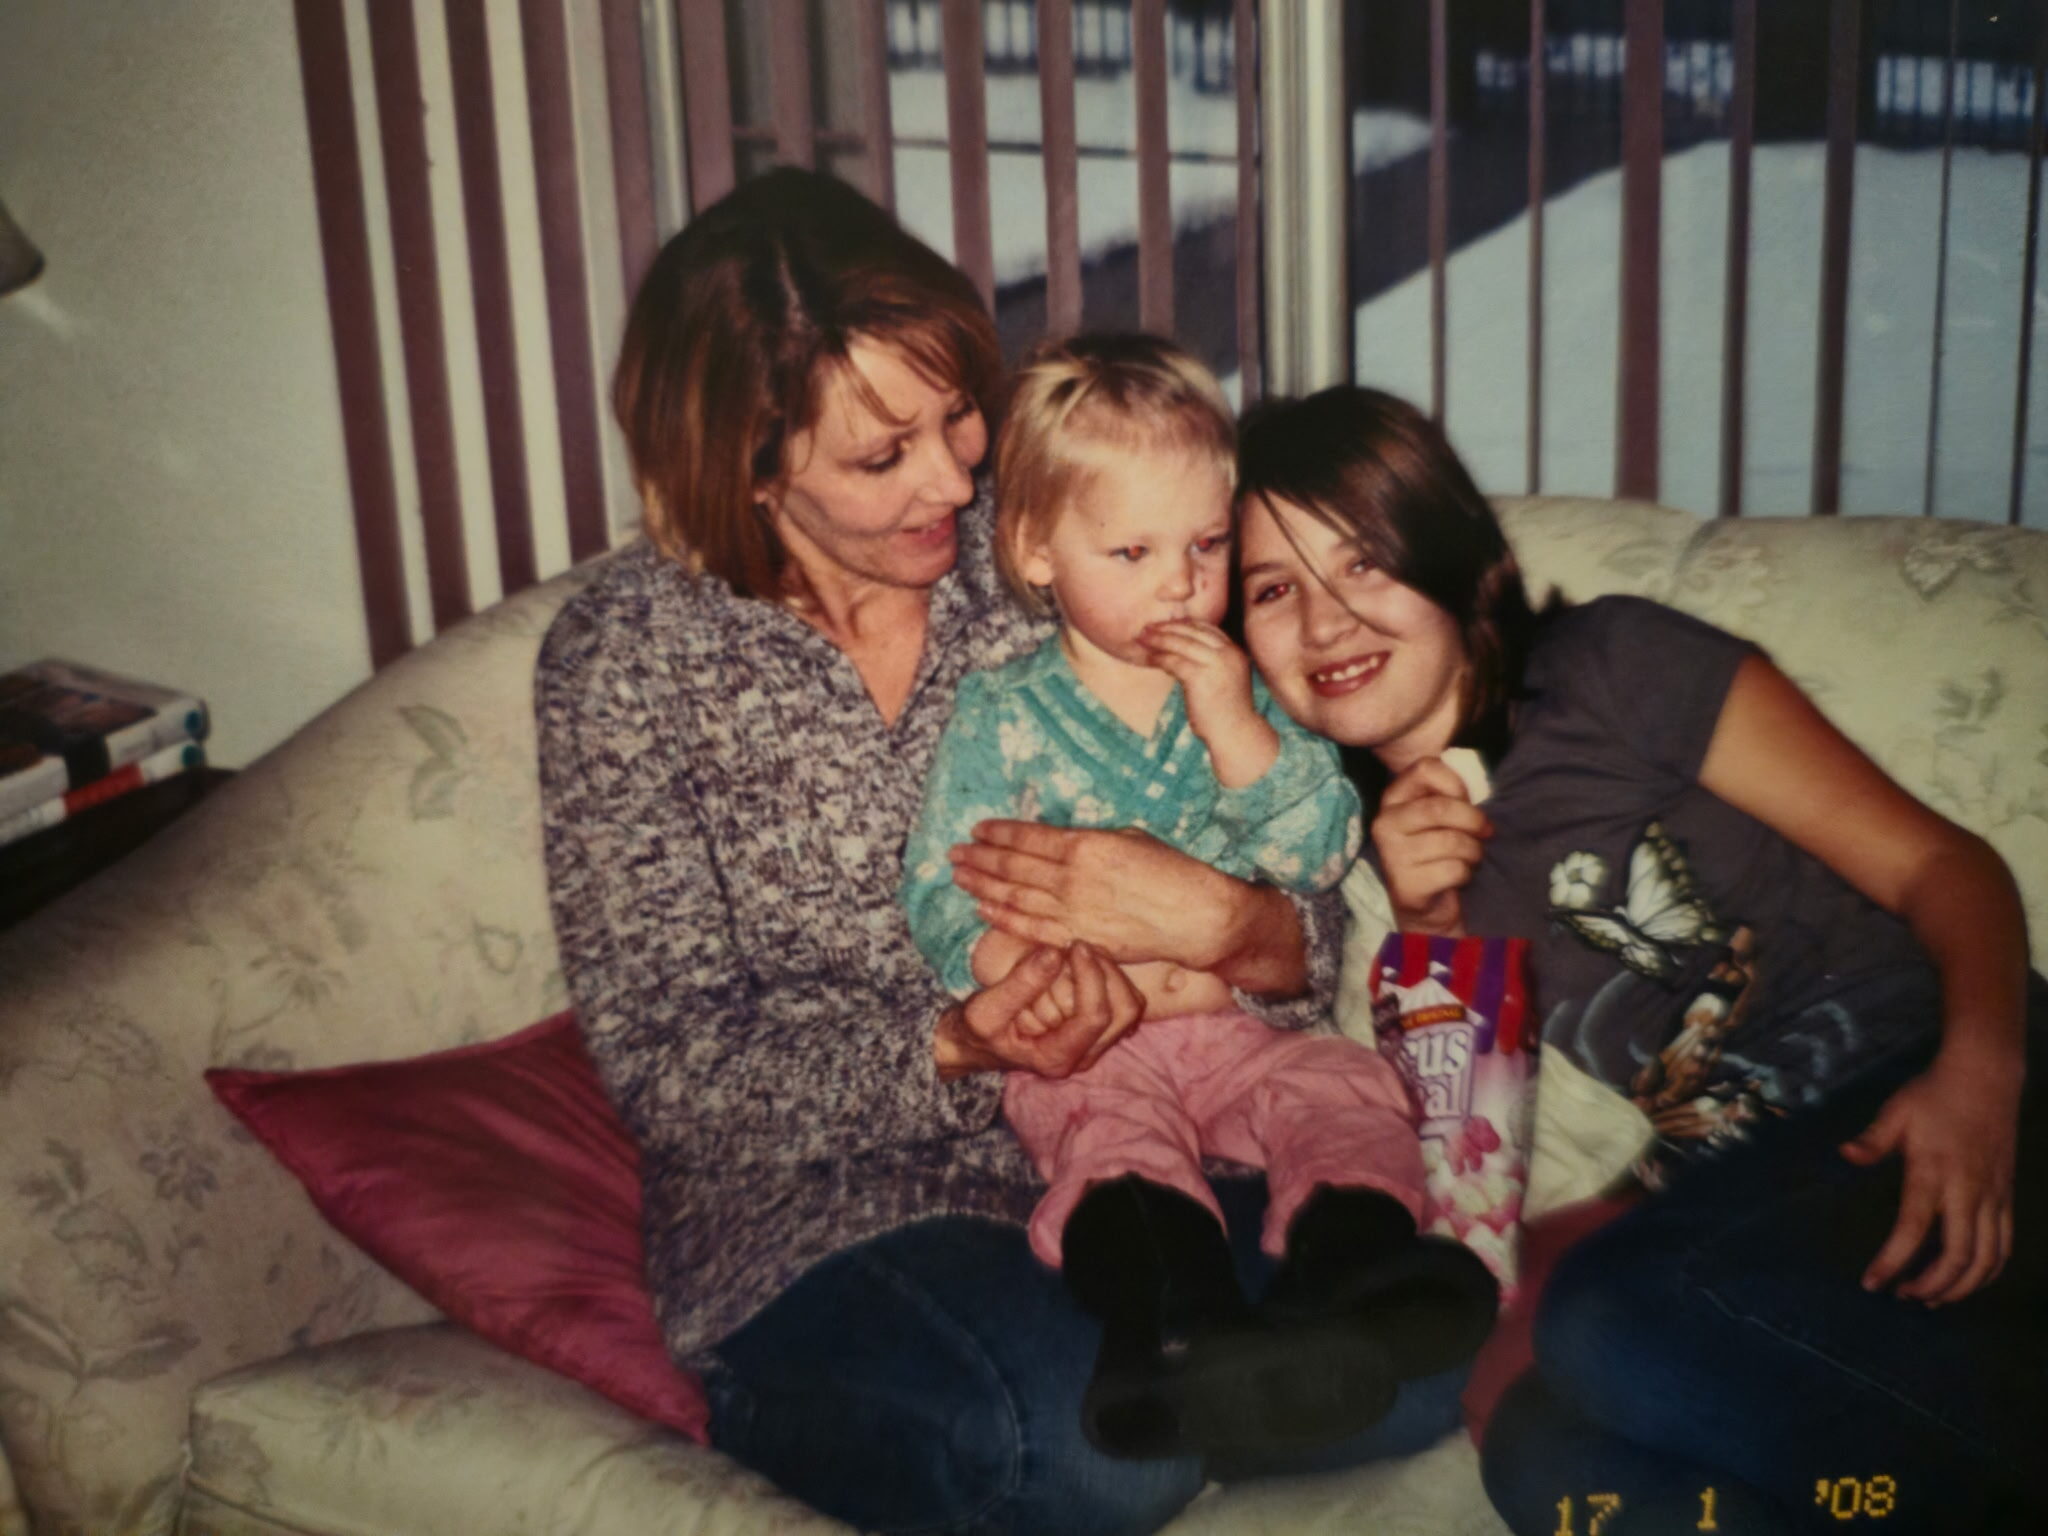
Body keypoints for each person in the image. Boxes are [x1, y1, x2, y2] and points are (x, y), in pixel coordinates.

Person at [534, 171, 1457, 1536]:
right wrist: (961, 1041)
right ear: (750, 464)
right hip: (830, 1214)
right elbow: (675, 1069)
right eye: (883, 456)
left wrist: (1225, 924)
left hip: (1165, 1134)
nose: (956, 480)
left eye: (958, 413)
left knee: (1416, 1370)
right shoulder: (630, 663)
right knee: (1091, 1456)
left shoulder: (1065, 552)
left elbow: (1293, 895)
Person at [1213, 383, 2047, 1534]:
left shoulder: (1610, 665)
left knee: (1605, 1324)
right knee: (1540, 1457)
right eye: (1272, 589)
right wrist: (1428, 919)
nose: (1323, 622)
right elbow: (1472, 1181)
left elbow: (1939, 866)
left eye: (1362, 561)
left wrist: (1981, 1073)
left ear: (1453, 559)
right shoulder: (1359, 847)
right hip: (1771, 1202)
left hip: (1935, 1083)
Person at [900, 334, 1498, 1465]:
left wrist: (1233, 726)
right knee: (1108, 1138)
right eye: (1131, 550)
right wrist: (1008, 974)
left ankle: (1354, 1275)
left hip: (1234, 1028)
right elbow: (937, 881)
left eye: (1206, 545)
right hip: (1088, 1043)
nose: (1179, 582)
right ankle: (1174, 1326)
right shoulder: (999, 715)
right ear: (1035, 550)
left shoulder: (1239, 690)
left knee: (1339, 1083)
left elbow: (1319, 849)